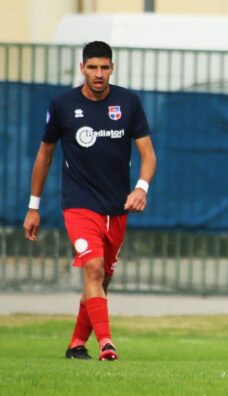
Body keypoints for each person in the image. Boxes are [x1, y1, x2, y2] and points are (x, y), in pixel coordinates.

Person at [22, 41, 157, 361]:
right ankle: (107, 343)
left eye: (105, 67)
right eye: (93, 67)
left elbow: (148, 153)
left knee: (103, 277)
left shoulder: (128, 102)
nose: (99, 74)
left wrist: (141, 188)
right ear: (82, 67)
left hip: (117, 206)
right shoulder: (63, 105)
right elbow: (45, 155)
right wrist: (33, 206)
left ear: (112, 68)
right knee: (93, 268)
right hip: (79, 203)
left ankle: (76, 344)